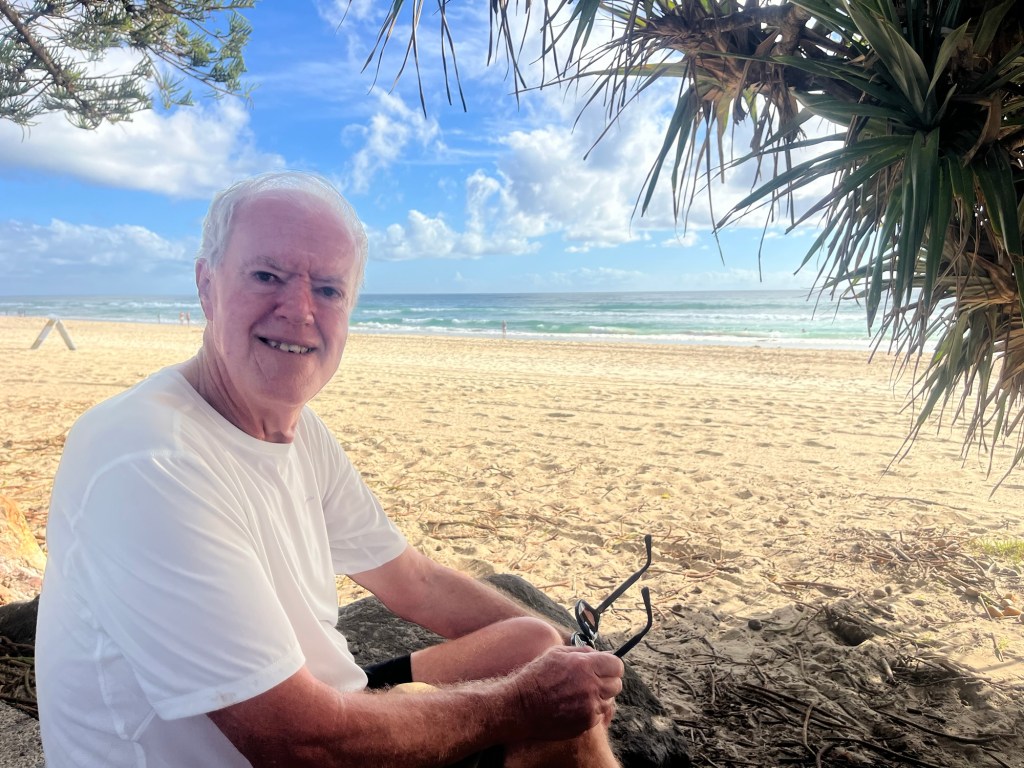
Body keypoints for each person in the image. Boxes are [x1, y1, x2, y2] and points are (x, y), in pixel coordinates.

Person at [35, 171, 624, 768]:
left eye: (328, 290)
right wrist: (521, 703)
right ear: (206, 285)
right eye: (267, 276)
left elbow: (413, 581)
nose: (299, 311)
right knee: (549, 712)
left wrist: (574, 656)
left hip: (321, 703)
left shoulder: (298, 430)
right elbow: (299, 744)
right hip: (290, 740)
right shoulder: (147, 456)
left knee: (534, 642)